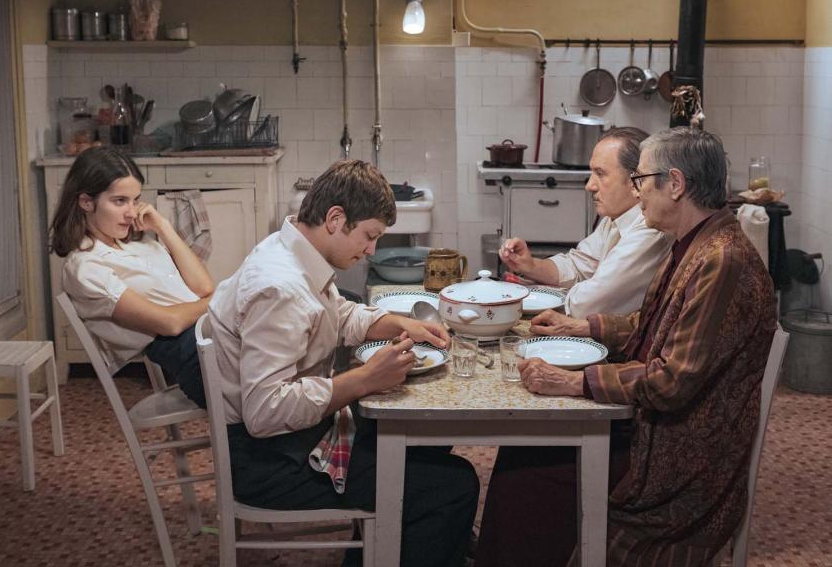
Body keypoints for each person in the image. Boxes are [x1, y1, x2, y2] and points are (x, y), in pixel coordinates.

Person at [476, 127, 778, 566]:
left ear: (675, 184)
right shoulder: (695, 244)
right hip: (657, 431)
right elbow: (648, 323)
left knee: (526, 474)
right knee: (525, 449)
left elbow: (671, 380)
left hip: (678, 459)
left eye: (641, 180)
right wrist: (586, 326)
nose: (636, 193)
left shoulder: (721, 261)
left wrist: (574, 382)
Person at [207, 158, 479, 567]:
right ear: (335, 219)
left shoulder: (292, 250)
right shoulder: (280, 287)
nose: (371, 250)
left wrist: (400, 323)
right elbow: (264, 412)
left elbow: (334, 315)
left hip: (291, 439)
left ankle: (388, 550)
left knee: (426, 435)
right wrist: (365, 379)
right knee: (453, 485)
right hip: (271, 462)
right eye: (369, 236)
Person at [50, 147, 214, 407]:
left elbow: (204, 287)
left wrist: (163, 226)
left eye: (135, 200)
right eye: (119, 201)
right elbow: (170, 323)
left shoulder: (138, 244)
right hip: (195, 357)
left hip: (212, 337)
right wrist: (223, 300)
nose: (131, 212)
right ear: (86, 202)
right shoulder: (86, 267)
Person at [500, 127, 670, 317]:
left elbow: (587, 305)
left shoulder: (650, 228)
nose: (590, 186)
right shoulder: (615, 218)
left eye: (600, 174)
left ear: (635, 180)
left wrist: (550, 294)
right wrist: (531, 266)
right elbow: (578, 265)